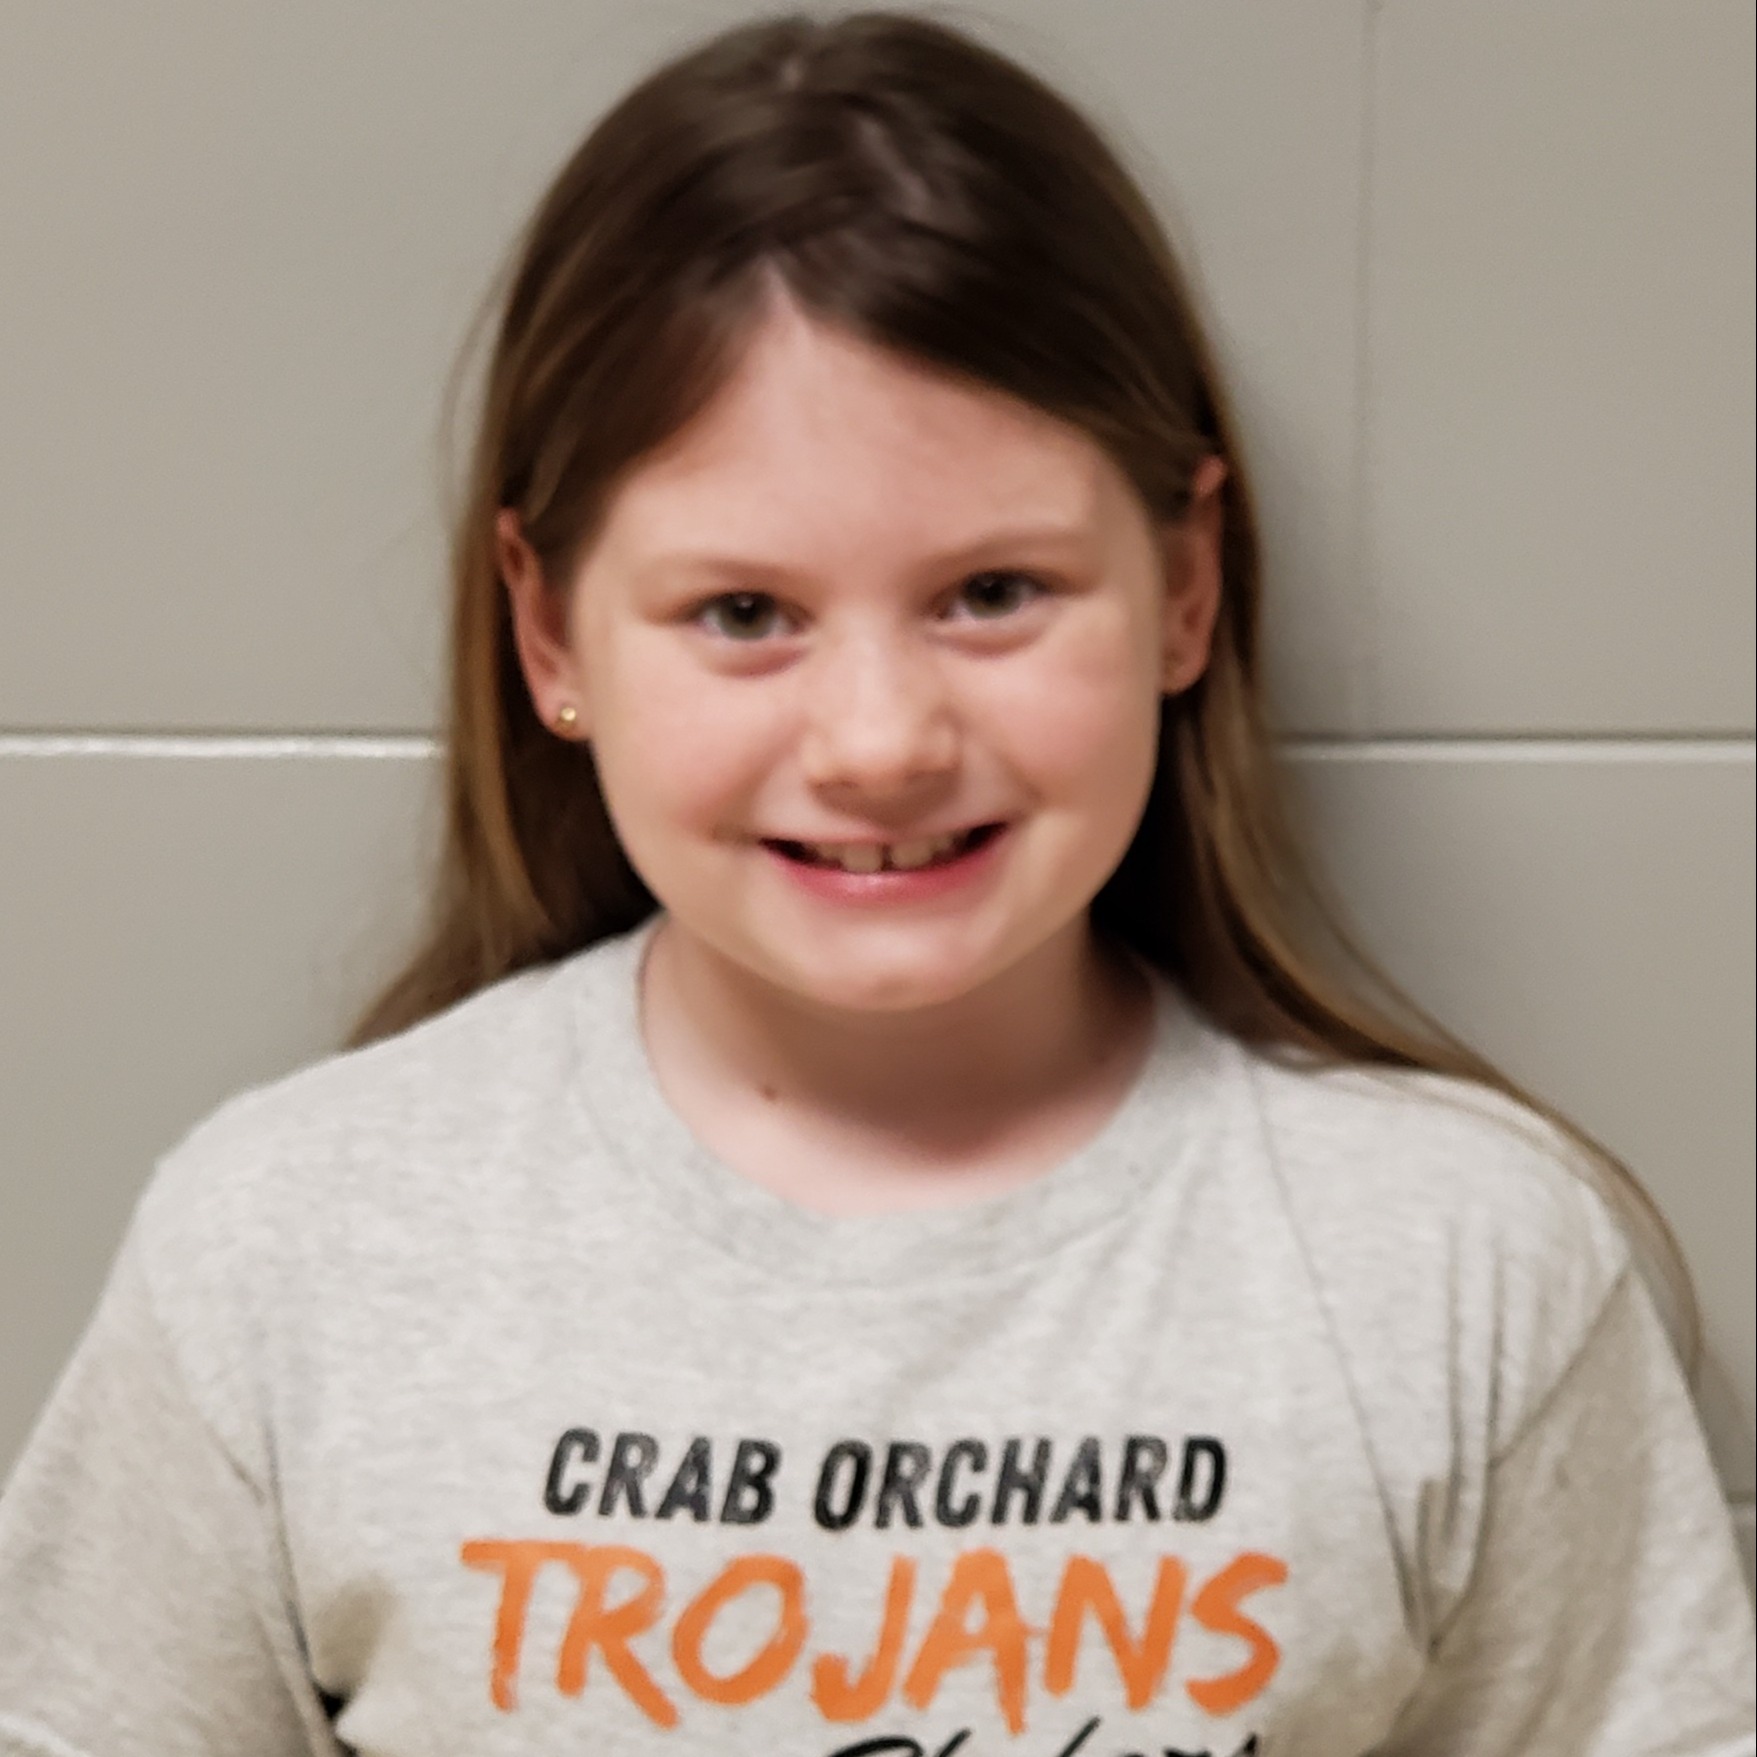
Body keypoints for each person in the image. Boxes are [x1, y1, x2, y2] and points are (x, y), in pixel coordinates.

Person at [0, 10, 1751, 1755]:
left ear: (1186, 580)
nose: (879, 740)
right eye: (743, 613)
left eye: (992, 590)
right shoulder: (288, 1254)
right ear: (549, 629)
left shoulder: (1462, 1267)